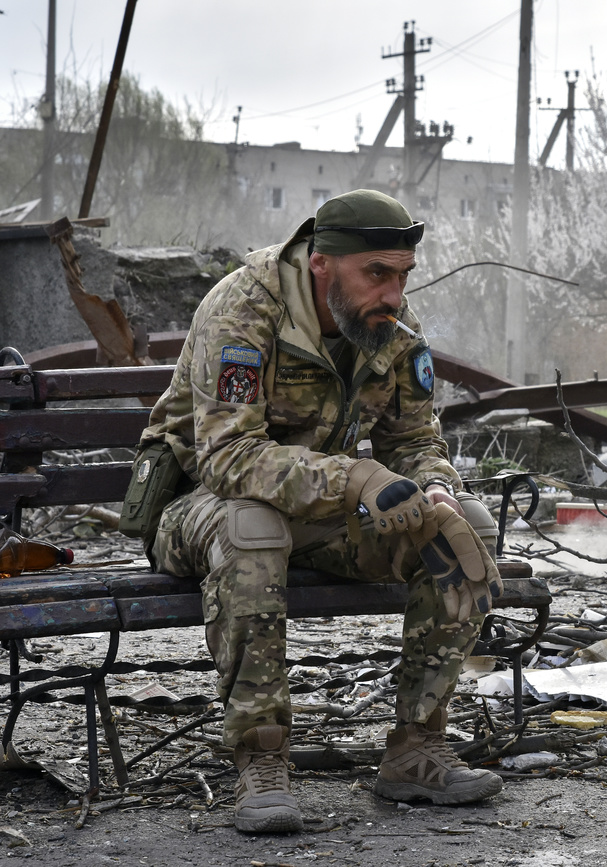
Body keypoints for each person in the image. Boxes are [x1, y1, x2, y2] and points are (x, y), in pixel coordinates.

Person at [135, 189, 504, 834]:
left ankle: (417, 748)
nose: (393, 293)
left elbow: (416, 442)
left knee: (459, 529)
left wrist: (435, 488)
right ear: (322, 263)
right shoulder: (242, 313)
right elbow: (228, 458)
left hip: (314, 510)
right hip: (200, 507)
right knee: (253, 526)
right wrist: (358, 477)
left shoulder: (384, 323)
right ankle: (261, 757)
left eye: (402, 276)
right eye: (378, 275)